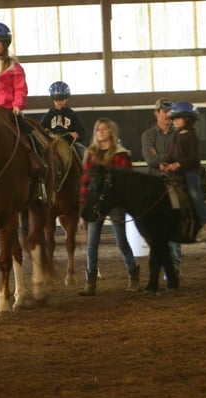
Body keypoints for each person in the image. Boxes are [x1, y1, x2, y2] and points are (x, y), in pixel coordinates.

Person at [0, 21, 48, 202]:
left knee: (28, 134)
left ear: (5, 44)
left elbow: (20, 89)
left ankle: (38, 164)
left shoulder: (14, 67)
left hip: (6, 110)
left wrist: (17, 105)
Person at [79, 118, 140, 296]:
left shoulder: (120, 154)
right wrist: (83, 209)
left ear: (111, 132)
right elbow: (85, 182)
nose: (101, 132)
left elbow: (127, 180)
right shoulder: (91, 154)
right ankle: (91, 281)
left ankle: (133, 275)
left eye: (104, 129)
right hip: (96, 202)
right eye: (98, 129)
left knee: (121, 240)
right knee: (92, 243)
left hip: (115, 202)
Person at [161, 102, 206, 242]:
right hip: (177, 173)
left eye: (178, 118)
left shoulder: (192, 136)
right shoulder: (176, 136)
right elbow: (171, 153)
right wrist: (165, 162)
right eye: (174, 118)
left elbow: (193, 158)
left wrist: (177, 164)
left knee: (194, 193)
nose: (174, 121)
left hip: (191, 172)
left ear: (188, 119)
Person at [141, 98, 182, 275]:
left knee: (173, 226)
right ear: (156, 113)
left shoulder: (179, 134)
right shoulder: (148, 135)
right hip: (156, 185)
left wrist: (160, 158)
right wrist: (167, 160)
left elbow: (179, 156)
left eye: (170, 112)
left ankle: (174, 267)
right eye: (164, 111)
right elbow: (150, 160)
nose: (168, 115)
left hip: (175, 183)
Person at [40, 81, 87, 158]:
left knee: (84, 152)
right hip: (52, 143)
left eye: (62, 99)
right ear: (52, 99)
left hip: (69, 143)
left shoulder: (72, 114)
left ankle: (85, 169)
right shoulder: (49, 115)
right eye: (56, 99)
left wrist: (76, 135)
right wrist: (45, 132)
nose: (59, 102)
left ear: (66, 98)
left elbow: (82, 132)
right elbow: (40, 129)